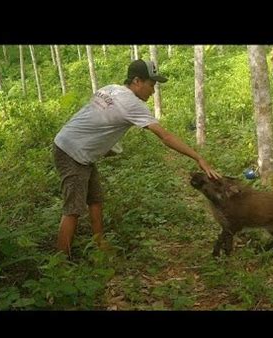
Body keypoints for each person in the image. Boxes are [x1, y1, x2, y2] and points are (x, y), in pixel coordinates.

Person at [53, 59, 221, 256]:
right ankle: (61, 262)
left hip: (75, 147)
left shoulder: (111, 88)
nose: (153, 91)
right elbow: (165, 136)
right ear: (137, 81)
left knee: (96, 199)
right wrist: (198, 158)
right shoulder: (132, 104)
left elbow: (96, 118)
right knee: (73, 209)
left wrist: (106, 147)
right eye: (151, 85)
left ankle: (99, 244)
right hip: (72, 152)